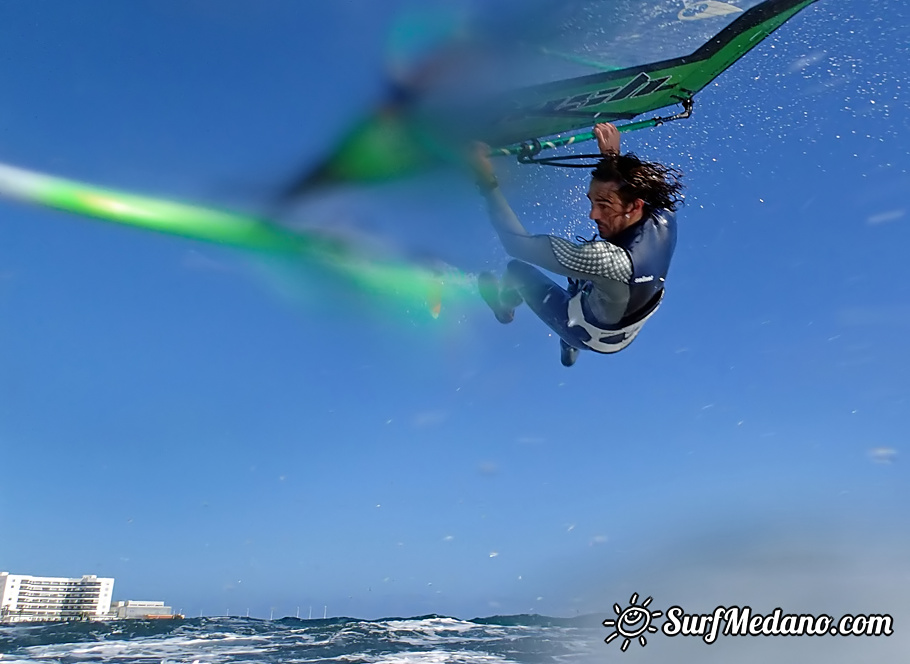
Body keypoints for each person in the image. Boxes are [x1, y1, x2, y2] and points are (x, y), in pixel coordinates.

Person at [470, 123, 683, 367]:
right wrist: (612, 159)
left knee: (516, 270)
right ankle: (569, 346)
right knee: (582, 282)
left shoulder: (608, 261)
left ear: (634, 206)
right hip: (622, 320)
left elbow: (517, 244)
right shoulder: (664, 213)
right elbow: (631, 188)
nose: (593, 214)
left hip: (589, 334)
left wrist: (485, 180)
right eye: (592, 202)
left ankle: (505, 308)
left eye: (604, 205)